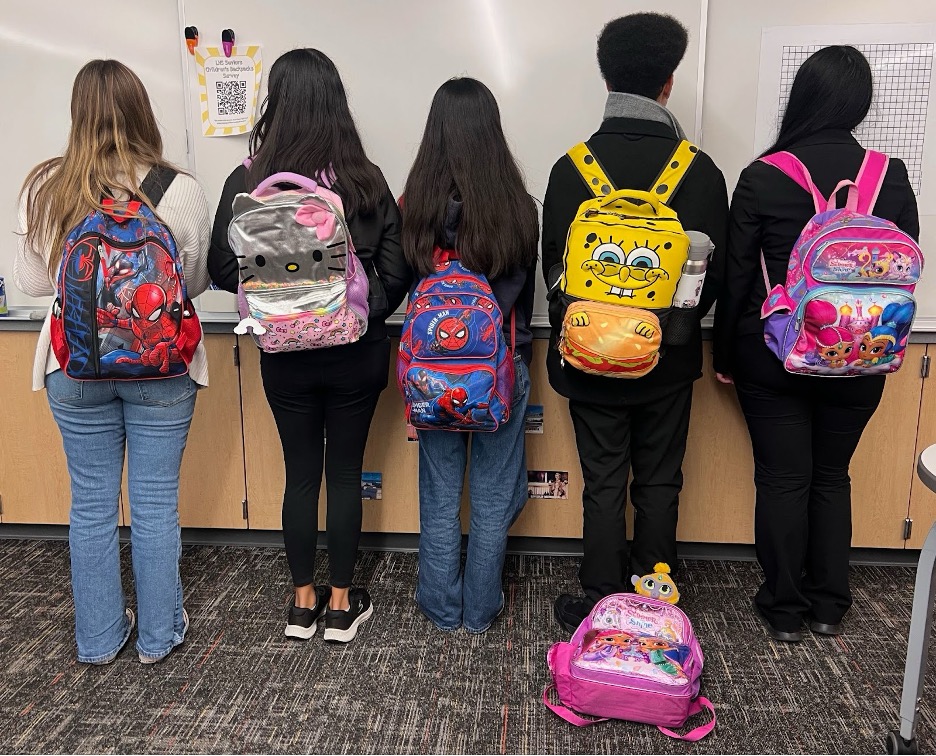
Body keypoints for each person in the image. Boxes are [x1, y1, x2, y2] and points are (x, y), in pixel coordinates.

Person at [713, 46, 919, 642]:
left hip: (773, 353)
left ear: (801, 96)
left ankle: (783, 610)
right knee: (832, 476)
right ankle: (829, 604)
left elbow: (736, 279)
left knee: (782, 478)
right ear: (860, 103)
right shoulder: (891, 175)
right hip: (865, 352)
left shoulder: (763, 174)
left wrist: (725, 356)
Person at [208, 49, 409, 644]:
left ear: (276, 101)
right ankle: (343, 607)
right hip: (356, 353)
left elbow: (222, 267)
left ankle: (301, 606)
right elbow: (397, 273)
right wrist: (347, 311)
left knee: (301, 476)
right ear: (337, 104)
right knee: (345, 473)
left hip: (283, 356)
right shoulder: (364, 178)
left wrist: (281, 300)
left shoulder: (247, 181)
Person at [14, 60, 211, 664]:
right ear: (143, 112)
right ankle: (158, 636)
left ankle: (98, 639)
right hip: (161, 372)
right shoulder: (177, 190)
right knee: (155, 502)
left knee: (92, 503)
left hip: (73, 370)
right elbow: (194, 284)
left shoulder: (44, 186)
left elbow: (29, 282)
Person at [542, 13, 729, 632]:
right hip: (667, 362)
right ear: (668, 84)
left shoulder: (572, 169)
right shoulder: (699, 172)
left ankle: (599, 600)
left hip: (587, 358)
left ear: (606, 80)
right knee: (658, 481)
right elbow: (710, 284)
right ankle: (655, 601)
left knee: (602, 480)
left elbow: (555, 276)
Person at [401, 77, 539, 633]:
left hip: (432, 375)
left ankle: (440, 604)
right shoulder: (518, 206)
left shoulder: (414, 207)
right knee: (492, 494)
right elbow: (524, 292)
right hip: (501, 368)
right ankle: (481, 608)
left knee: (438, 491)